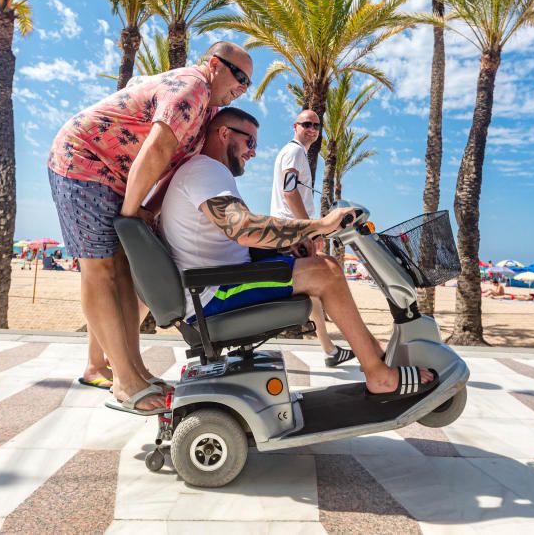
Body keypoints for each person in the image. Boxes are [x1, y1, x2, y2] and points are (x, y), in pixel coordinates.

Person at [158, 108, 435, 410]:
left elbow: (232, 233)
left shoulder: (207, 172)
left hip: (220, 281)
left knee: (323, 269)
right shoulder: (205, 171)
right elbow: (241, 227)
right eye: (249, 142)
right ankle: (379, 376)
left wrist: (284, 248)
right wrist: (319, 225)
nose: (253, 152)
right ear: (224, 133)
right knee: (326, 272)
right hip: (213, 293)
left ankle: (373, 353)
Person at [48, 41, 253, 412]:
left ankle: (135, 369)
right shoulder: (193, 87)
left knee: (126, 273)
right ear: (213, 65)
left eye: (248, 84)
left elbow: (172, 171)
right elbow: (157, 149)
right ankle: (124, 381)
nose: (241, 87)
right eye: (238, 76)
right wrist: (131, 215)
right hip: (83, 160)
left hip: (115, 177)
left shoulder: (207, 112)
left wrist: (146, 213)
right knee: (100, 269)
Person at [270, 108, 355, 367]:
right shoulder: (294, 152)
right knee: (319, 281)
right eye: (306, 124)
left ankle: (329, 350)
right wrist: (310, 230)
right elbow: (289, 191)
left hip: (288, 230)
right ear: (295, 126)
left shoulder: (297, 154)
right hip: (292, 231)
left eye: (317, 126)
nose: (312, 129)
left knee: (313, 290)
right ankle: (333, 348)